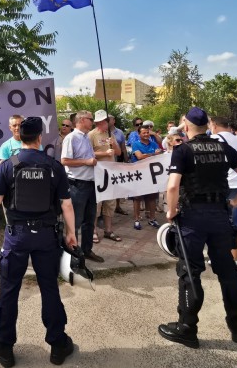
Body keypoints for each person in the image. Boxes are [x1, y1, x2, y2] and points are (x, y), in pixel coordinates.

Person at [159, 107, 237, 348]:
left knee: (190, 272)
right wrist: (236, 202)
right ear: (208, 124)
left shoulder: (183, 150)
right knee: (228, 271)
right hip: (220, 216)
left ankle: (187, 328)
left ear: (186, 124)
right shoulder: (223, 147)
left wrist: (171, 211)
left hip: (192, 217)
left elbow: (173, 187)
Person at [0, 116, 77, 368]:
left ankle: (4, 346)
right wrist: (72, 234)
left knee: (9, 289)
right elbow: (66, 204)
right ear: (39, 137)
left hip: (16, 237)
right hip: (47, 237)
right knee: (49, 288)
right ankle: (58, 344)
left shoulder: (9, 164)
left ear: (20, 137)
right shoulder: (53, 165)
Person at [61, 111, 104, 263]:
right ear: (82, 120)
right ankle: (71, 254)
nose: (93, 122)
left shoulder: (86, 137)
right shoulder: (71, 138)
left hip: (91, 183)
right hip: (77, 184)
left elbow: (88, 158)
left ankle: (86, 250)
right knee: (75, 221)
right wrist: (86, 162)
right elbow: (65, 160)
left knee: (89, 220)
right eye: (91, 119)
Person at [209, 117, 237, 262]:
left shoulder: (212, 139)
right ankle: (233, 259)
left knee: (215, 222)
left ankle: (216, 256)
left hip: (217, 186)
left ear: (214, 125)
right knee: (236, 224)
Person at [88, 110, 121, 242]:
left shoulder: (111, 134)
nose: (105, 123)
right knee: (97, 203)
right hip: (97, 173)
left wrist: (113, 146)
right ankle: (93, 231)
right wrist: (104, 154)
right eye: (103, 121)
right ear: (97, 122)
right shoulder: (91, 135)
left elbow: (117, 152)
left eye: (106, 120)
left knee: (110, 203)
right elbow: (88, 154)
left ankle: (108, 230)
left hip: (110, 173)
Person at [127, 125, 163, 230]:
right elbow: (139, 156)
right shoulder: (135, 144)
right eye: (144, 133)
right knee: (137, 198)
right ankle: (137, 220)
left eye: (147, 132)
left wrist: (149, 154)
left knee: (152, 197)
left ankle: (152, 218)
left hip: (151, 174)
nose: (146, 134)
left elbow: (160, 154)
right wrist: (153, 154)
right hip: (138, 174)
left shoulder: (154, 143)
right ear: (139, 134)